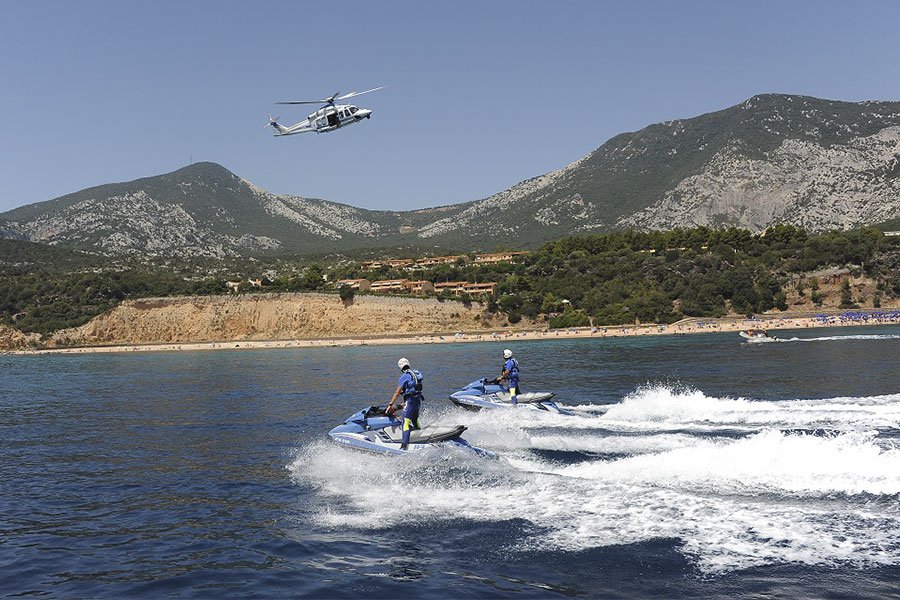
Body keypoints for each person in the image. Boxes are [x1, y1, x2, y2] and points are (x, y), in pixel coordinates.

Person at [386, 358, 424, 451]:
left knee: (405, 423)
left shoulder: (404, 376)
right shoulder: (416, 373)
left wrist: (390, 404)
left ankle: (404, 447)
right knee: (415, 420)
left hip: (410, 401)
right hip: (417, 400)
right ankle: (422, 439)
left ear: (400, 367)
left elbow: (397, 392)